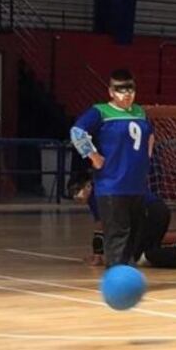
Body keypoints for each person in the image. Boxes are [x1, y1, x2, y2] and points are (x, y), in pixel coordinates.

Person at [70, 69, 154, 268]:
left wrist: (146, 158)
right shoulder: (100, 111)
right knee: (118, 240)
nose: (126, 94)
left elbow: (150, 134)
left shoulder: (140, 112)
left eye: (130, 89)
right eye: (120, 90)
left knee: (133, 239)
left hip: (137, 186)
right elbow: (77, 131)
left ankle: (127, 282)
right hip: (112, 186)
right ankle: (117, 286)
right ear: (111, 92)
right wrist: (93, 156)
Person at [67, 172, 176, 270]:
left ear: (88, 185)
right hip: (159, 210)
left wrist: (97, 255)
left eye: (77, 190)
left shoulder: (97, 194)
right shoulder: (104, 187)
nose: (75, 196)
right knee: (147, 253)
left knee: (136, 257)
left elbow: (100, 226)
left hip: (150, 212)